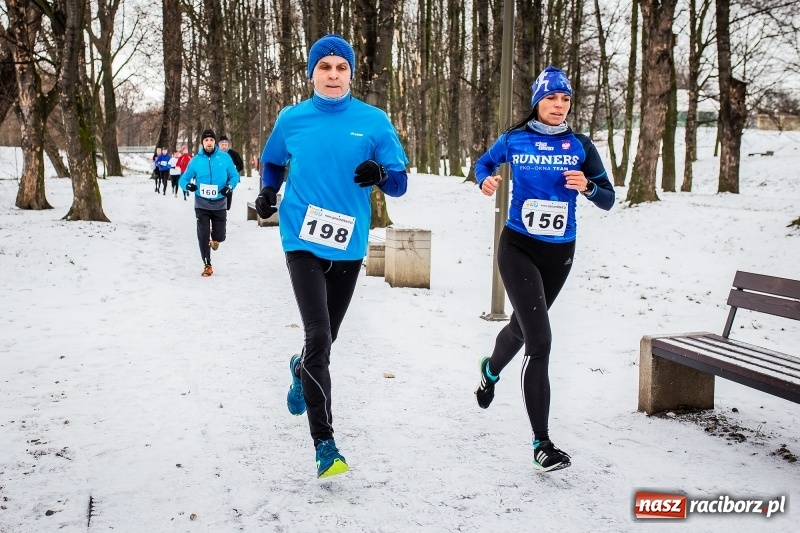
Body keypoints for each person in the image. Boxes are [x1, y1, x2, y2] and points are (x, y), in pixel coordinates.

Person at [255, 34, 408, 479]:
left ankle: (300, 369)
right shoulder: (292, 119)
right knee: (319, 335)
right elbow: (273, 162)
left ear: (351, 74)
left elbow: (399, 182)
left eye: (342, 67)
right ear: (312, 73)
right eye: (326, 67)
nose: (334, 75)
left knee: (325, 341)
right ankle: (325, 445)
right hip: (300, 238)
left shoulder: (374, 121)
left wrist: (381, 173)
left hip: (350, 244)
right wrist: (268, 191)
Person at [473, 66, 615, 473]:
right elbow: (482, 165)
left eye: (565, 99)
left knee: (521, 328)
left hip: (560, 253)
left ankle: (490, 370)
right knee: (540, 339)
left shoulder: (581, 146)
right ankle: (542, 443)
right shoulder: (514, 140)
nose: (558, 105)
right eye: (551, 98)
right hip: (517, 246)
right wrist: (485, 182)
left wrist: (586, 187)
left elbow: (608, 198)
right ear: (538, 101)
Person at [179, 129, 240, 277]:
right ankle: (207, 264)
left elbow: (235, 176)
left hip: (219, 203)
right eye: (206, 140)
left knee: (220, 236)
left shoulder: (224, 158)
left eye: (211, 140)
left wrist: (229, 186)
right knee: (202, 235)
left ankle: (216, 239)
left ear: (214, 142)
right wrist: (188, 186)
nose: (209, 143)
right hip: (202, 204)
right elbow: (183, 179)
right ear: (202, 143)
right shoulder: (195, 161)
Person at [218, 135, 243, 211]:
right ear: (219, 145)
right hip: (218, 178)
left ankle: (226, 208)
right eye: (222, 145)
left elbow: (240, 165)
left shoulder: (233, 154)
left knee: (228, 194)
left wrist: (234, 169)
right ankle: (219, 209)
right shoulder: (215, 154)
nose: (224, 146)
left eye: (225, 145)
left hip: (230, 179)